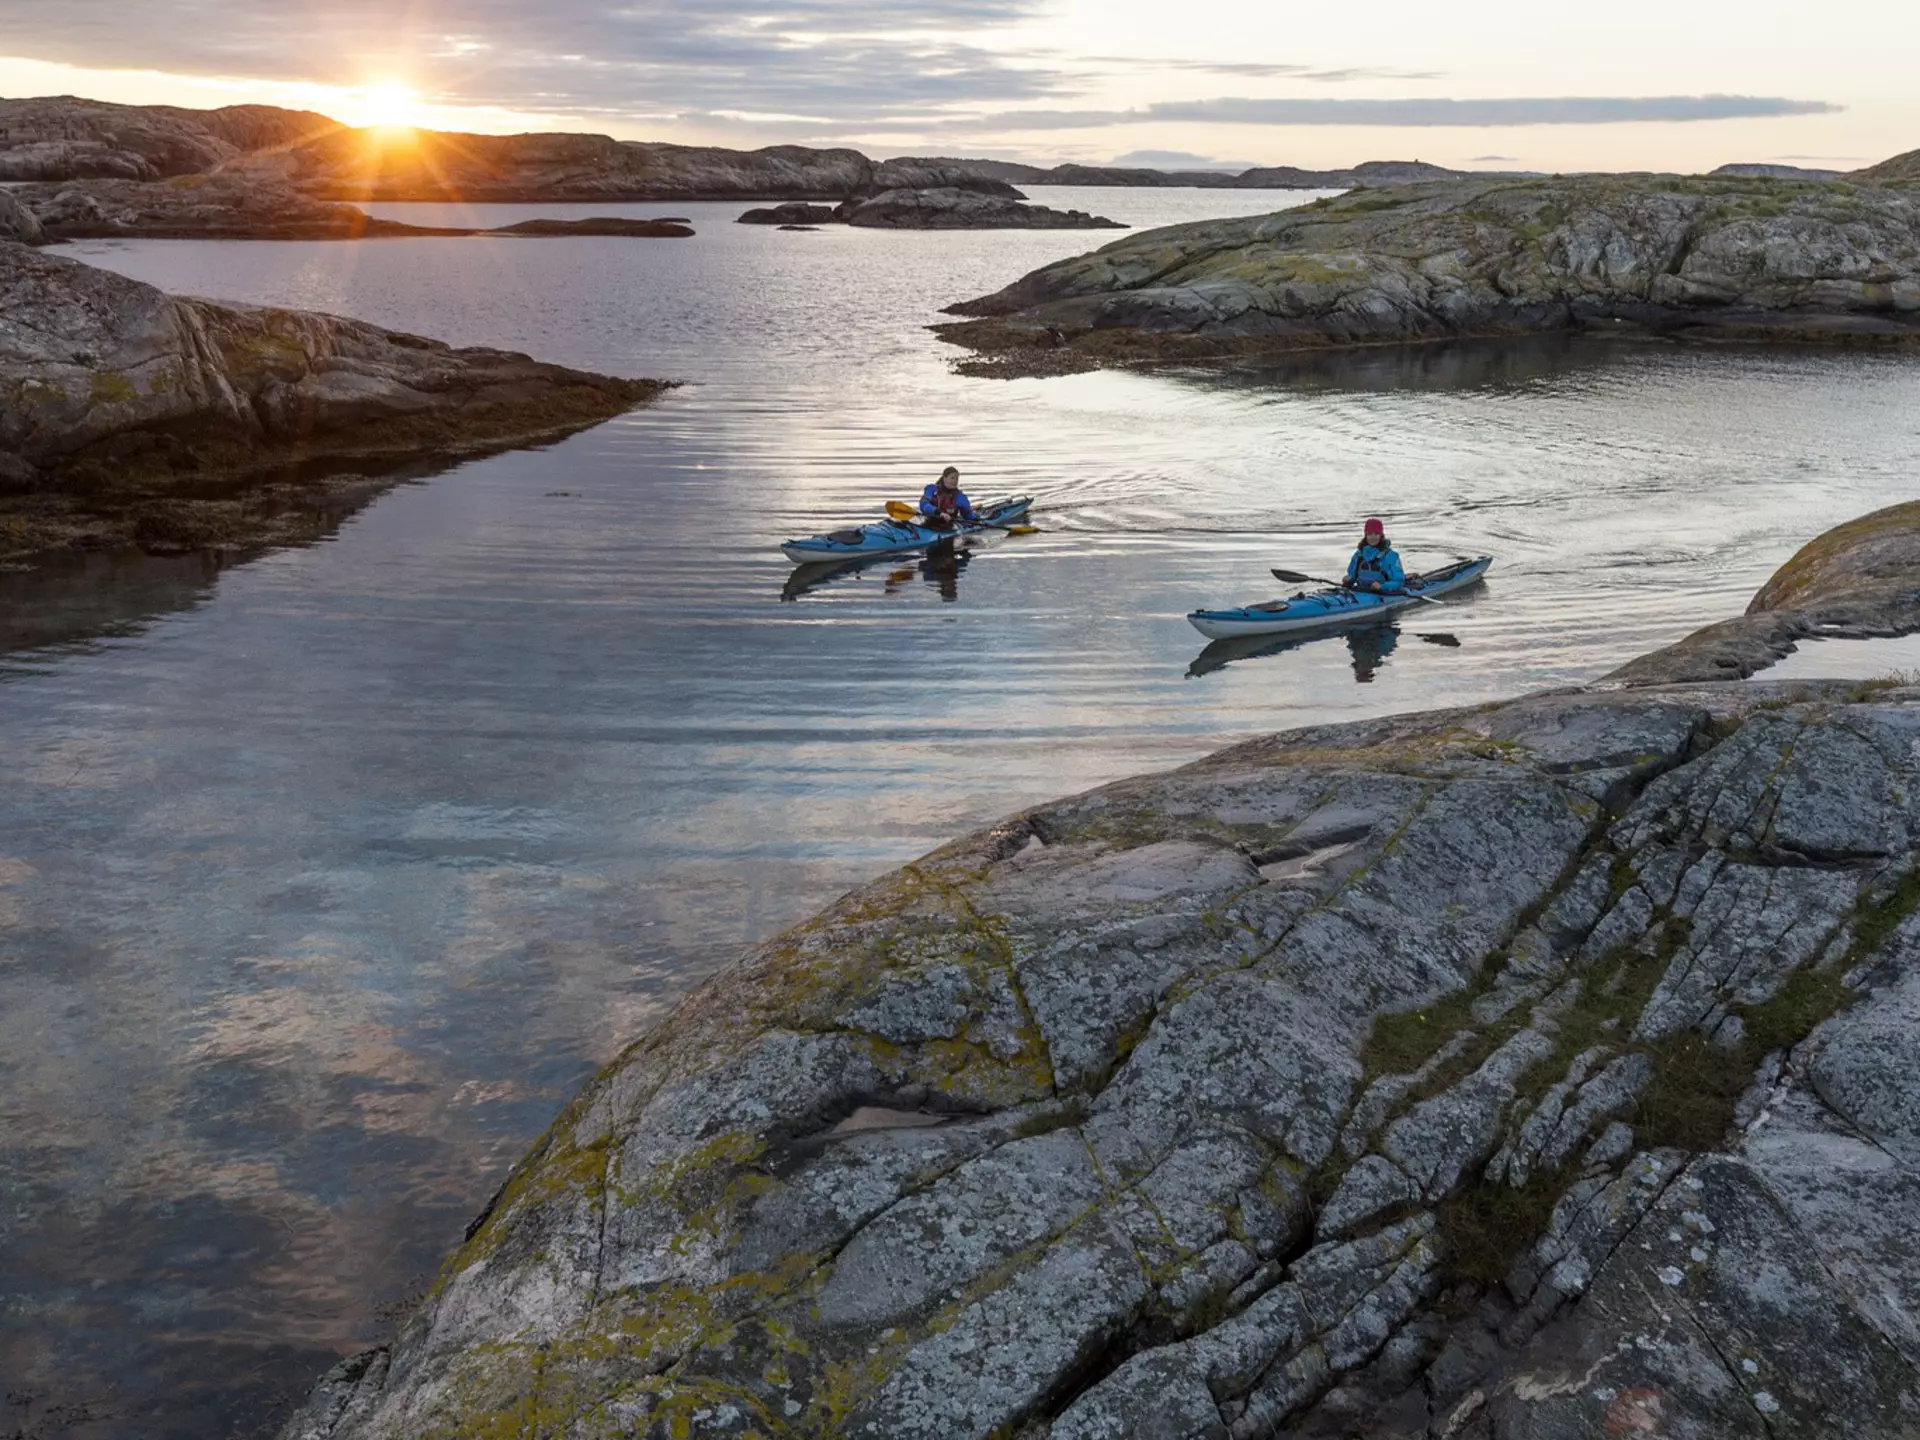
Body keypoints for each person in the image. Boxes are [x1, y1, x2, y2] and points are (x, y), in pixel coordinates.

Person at [1344, 517, 1407, 593]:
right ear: (1366, 535)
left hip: (1384, 593)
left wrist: (1382, 586)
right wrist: (1348, 579)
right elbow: (1352, 576)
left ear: (1381, 535)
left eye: (1376, 534)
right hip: (1361, 591)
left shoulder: (1391, 556)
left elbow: (1399, 581)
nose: (1373, 537)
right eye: (1370, 534)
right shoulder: (1358, 555)